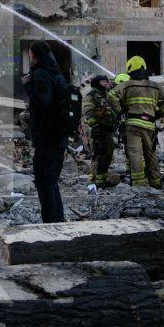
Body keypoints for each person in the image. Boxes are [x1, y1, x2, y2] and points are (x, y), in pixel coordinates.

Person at [24, 41, 74, 223]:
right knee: (52, 183)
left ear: (34, 55)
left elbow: (43, 102)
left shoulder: (40, 74)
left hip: (47, 138)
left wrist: (28, 85)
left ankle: (50, 224)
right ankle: (58, 222)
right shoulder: (57, 74)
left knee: (44, 183)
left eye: (30, 54)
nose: (30, 57)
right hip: (59, 137)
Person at [115, 56, 164, 188]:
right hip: (149, 125)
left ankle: (139, 184)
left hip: (133, 124)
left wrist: (120, 111)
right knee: (150, 154)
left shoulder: (128, 85)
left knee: (135, 153)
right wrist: (159, 113)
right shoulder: (155, 86)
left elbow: (111, 96)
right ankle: (156, 183)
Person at [83, 74, 118, 188]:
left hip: (109, 130)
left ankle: (103, 178)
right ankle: (98, 181)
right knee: (100, 154)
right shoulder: (91, 96)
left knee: (108, 155)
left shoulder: (107, 95)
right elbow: (88, 112)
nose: (107, 83)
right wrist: (95, 126)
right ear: (98, 83)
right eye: (104, 81)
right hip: (99, 130)